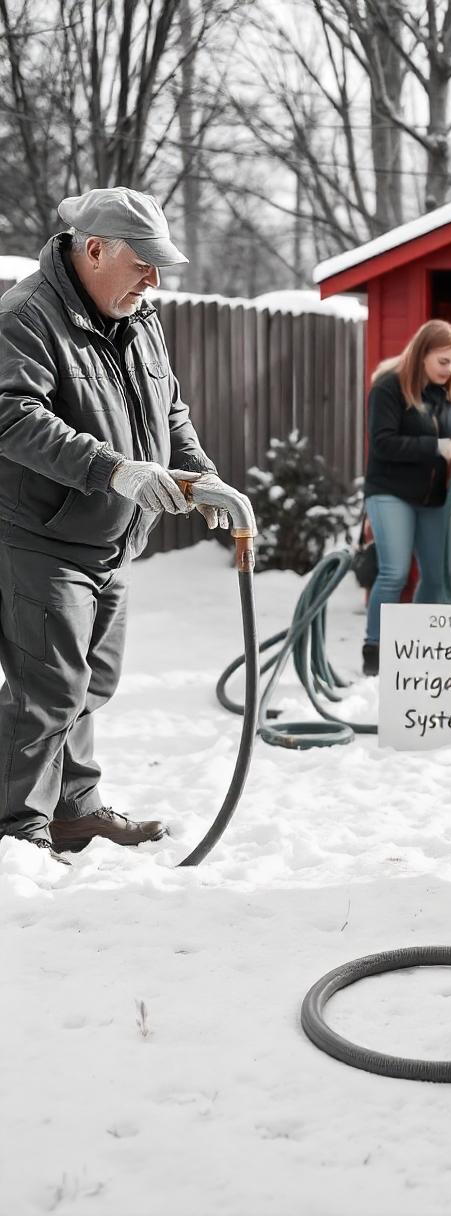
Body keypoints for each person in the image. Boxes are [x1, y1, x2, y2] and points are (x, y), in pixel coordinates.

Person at [0, 187, 226, 863]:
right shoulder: (27, 316)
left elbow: (172, 407)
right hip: (40, 535)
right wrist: (113, 469)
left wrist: (198, 471)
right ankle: (14, 831)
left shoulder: (136, 315)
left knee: (91, 683)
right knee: (48, 690)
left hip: (110, 538)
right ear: (93, 249)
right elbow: (12, 417)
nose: (154, 278)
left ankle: (75, 812)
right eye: (143, 263)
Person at [361, 319, 451, 675]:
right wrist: (440, 446)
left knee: (436, 576)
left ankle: (415, 647)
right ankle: (376, 652)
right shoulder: (389, 388)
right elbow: (382, 443)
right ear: (422, 354)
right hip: (390, 492)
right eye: (444, 361)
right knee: (394, 573)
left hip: (432, 496)